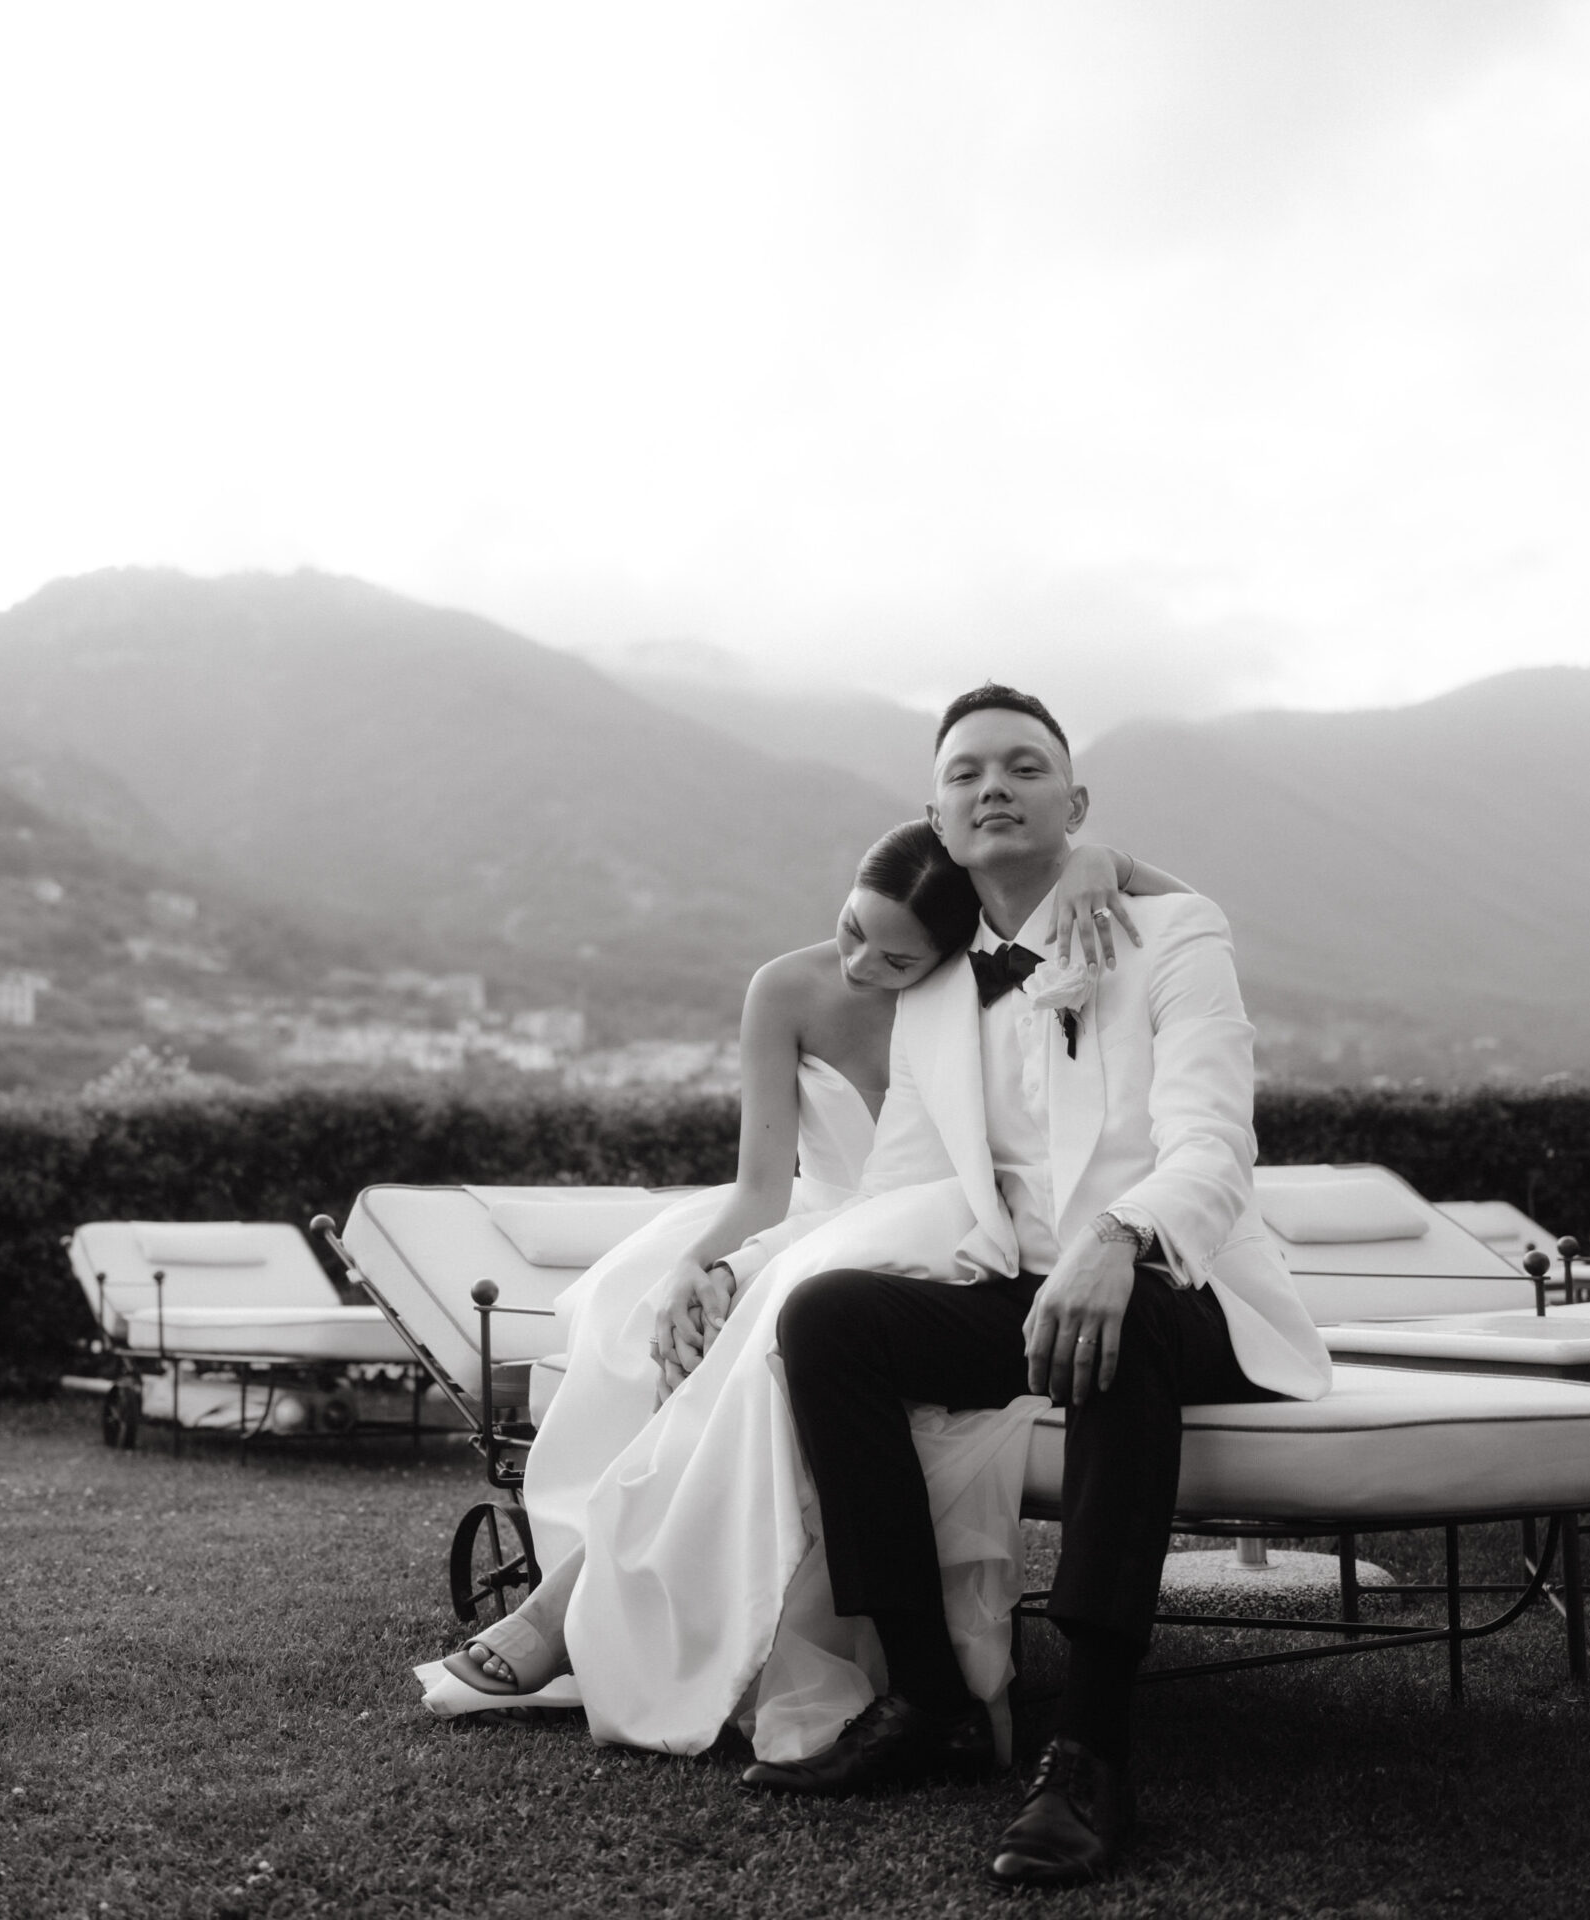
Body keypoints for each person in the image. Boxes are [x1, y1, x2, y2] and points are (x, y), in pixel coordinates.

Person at [741, 683, 1331, 1892]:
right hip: (1014, 1292)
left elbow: (1213, 1146)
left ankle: (1091, 1744)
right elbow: (894, 1191)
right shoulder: (935, 989)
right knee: (829, 1316)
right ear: (937, 818)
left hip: (1185, 1286)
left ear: (1076, 803)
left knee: (1121, 1322)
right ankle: (927, 1699)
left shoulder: (1177, 935)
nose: (992, 786)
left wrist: (1117, 1239)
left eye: (1022, 766)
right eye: (965, 774)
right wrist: (738, 1269)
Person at [434, 820, 1187, 1702]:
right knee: (681, 1316)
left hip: (951, 1235)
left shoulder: (982, 989)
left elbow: (1186, 926)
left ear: (952, 949)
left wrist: (1110, 862)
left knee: (780, 1328)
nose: (864, 967)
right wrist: (703, 1260)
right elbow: (762, 1187)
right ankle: (613, 1591)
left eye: (899, 961)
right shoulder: (785, 988)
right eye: (852, 930)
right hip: (818, 1220)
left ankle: (571, 1602)